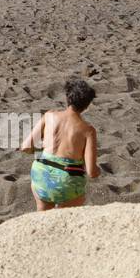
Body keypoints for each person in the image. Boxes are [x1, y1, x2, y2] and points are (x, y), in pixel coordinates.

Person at [19, 79, 101, 210]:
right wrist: (98, 171)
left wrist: (44, 152)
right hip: (67, 180)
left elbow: (26, 146)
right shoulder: (88, 130)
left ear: (67, 98)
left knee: (43, 216)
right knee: (67, 216)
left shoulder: (49, 116)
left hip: (42, 174)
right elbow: (91, 172)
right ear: (87, 105)